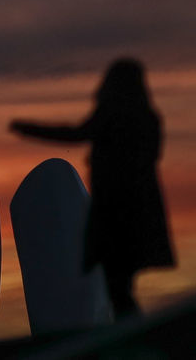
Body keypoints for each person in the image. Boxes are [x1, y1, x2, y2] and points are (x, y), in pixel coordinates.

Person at [10, 57, 174, 318]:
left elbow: (75, 134)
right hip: (137, 207)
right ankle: (130, 329)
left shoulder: (113, 114)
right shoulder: (148, 118)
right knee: (121, 281)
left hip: (114, 208)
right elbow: (149, 156)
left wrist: (28, 130)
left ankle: (130, 333)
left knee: (116, 282)